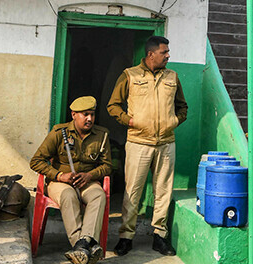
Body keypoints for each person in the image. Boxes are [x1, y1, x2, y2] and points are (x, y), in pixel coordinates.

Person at [107, 36, 187, 256]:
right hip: (138, 142)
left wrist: (174, 121)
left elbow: (182, 106)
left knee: (163, 191)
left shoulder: (172, 76)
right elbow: (113, 106)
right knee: (132, 191)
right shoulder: (130, 75)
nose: (168, 55)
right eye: (165, 52)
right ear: (151, 54)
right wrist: (130, 121)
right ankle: (126, 237)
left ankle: (159, 236)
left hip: (166, 143)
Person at [30, 96, 112, 264]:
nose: (90, 119)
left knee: (98, 195)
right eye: (85, 114)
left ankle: (82, 245)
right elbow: (36, 161)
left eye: (92, 114)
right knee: (68, 195)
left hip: (87, 181)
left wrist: (90, 175)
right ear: (74, 114)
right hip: (60, 182)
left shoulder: (101, 135)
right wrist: (60, 176)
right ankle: (84, 245)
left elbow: (107, 166)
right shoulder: (59, 133)